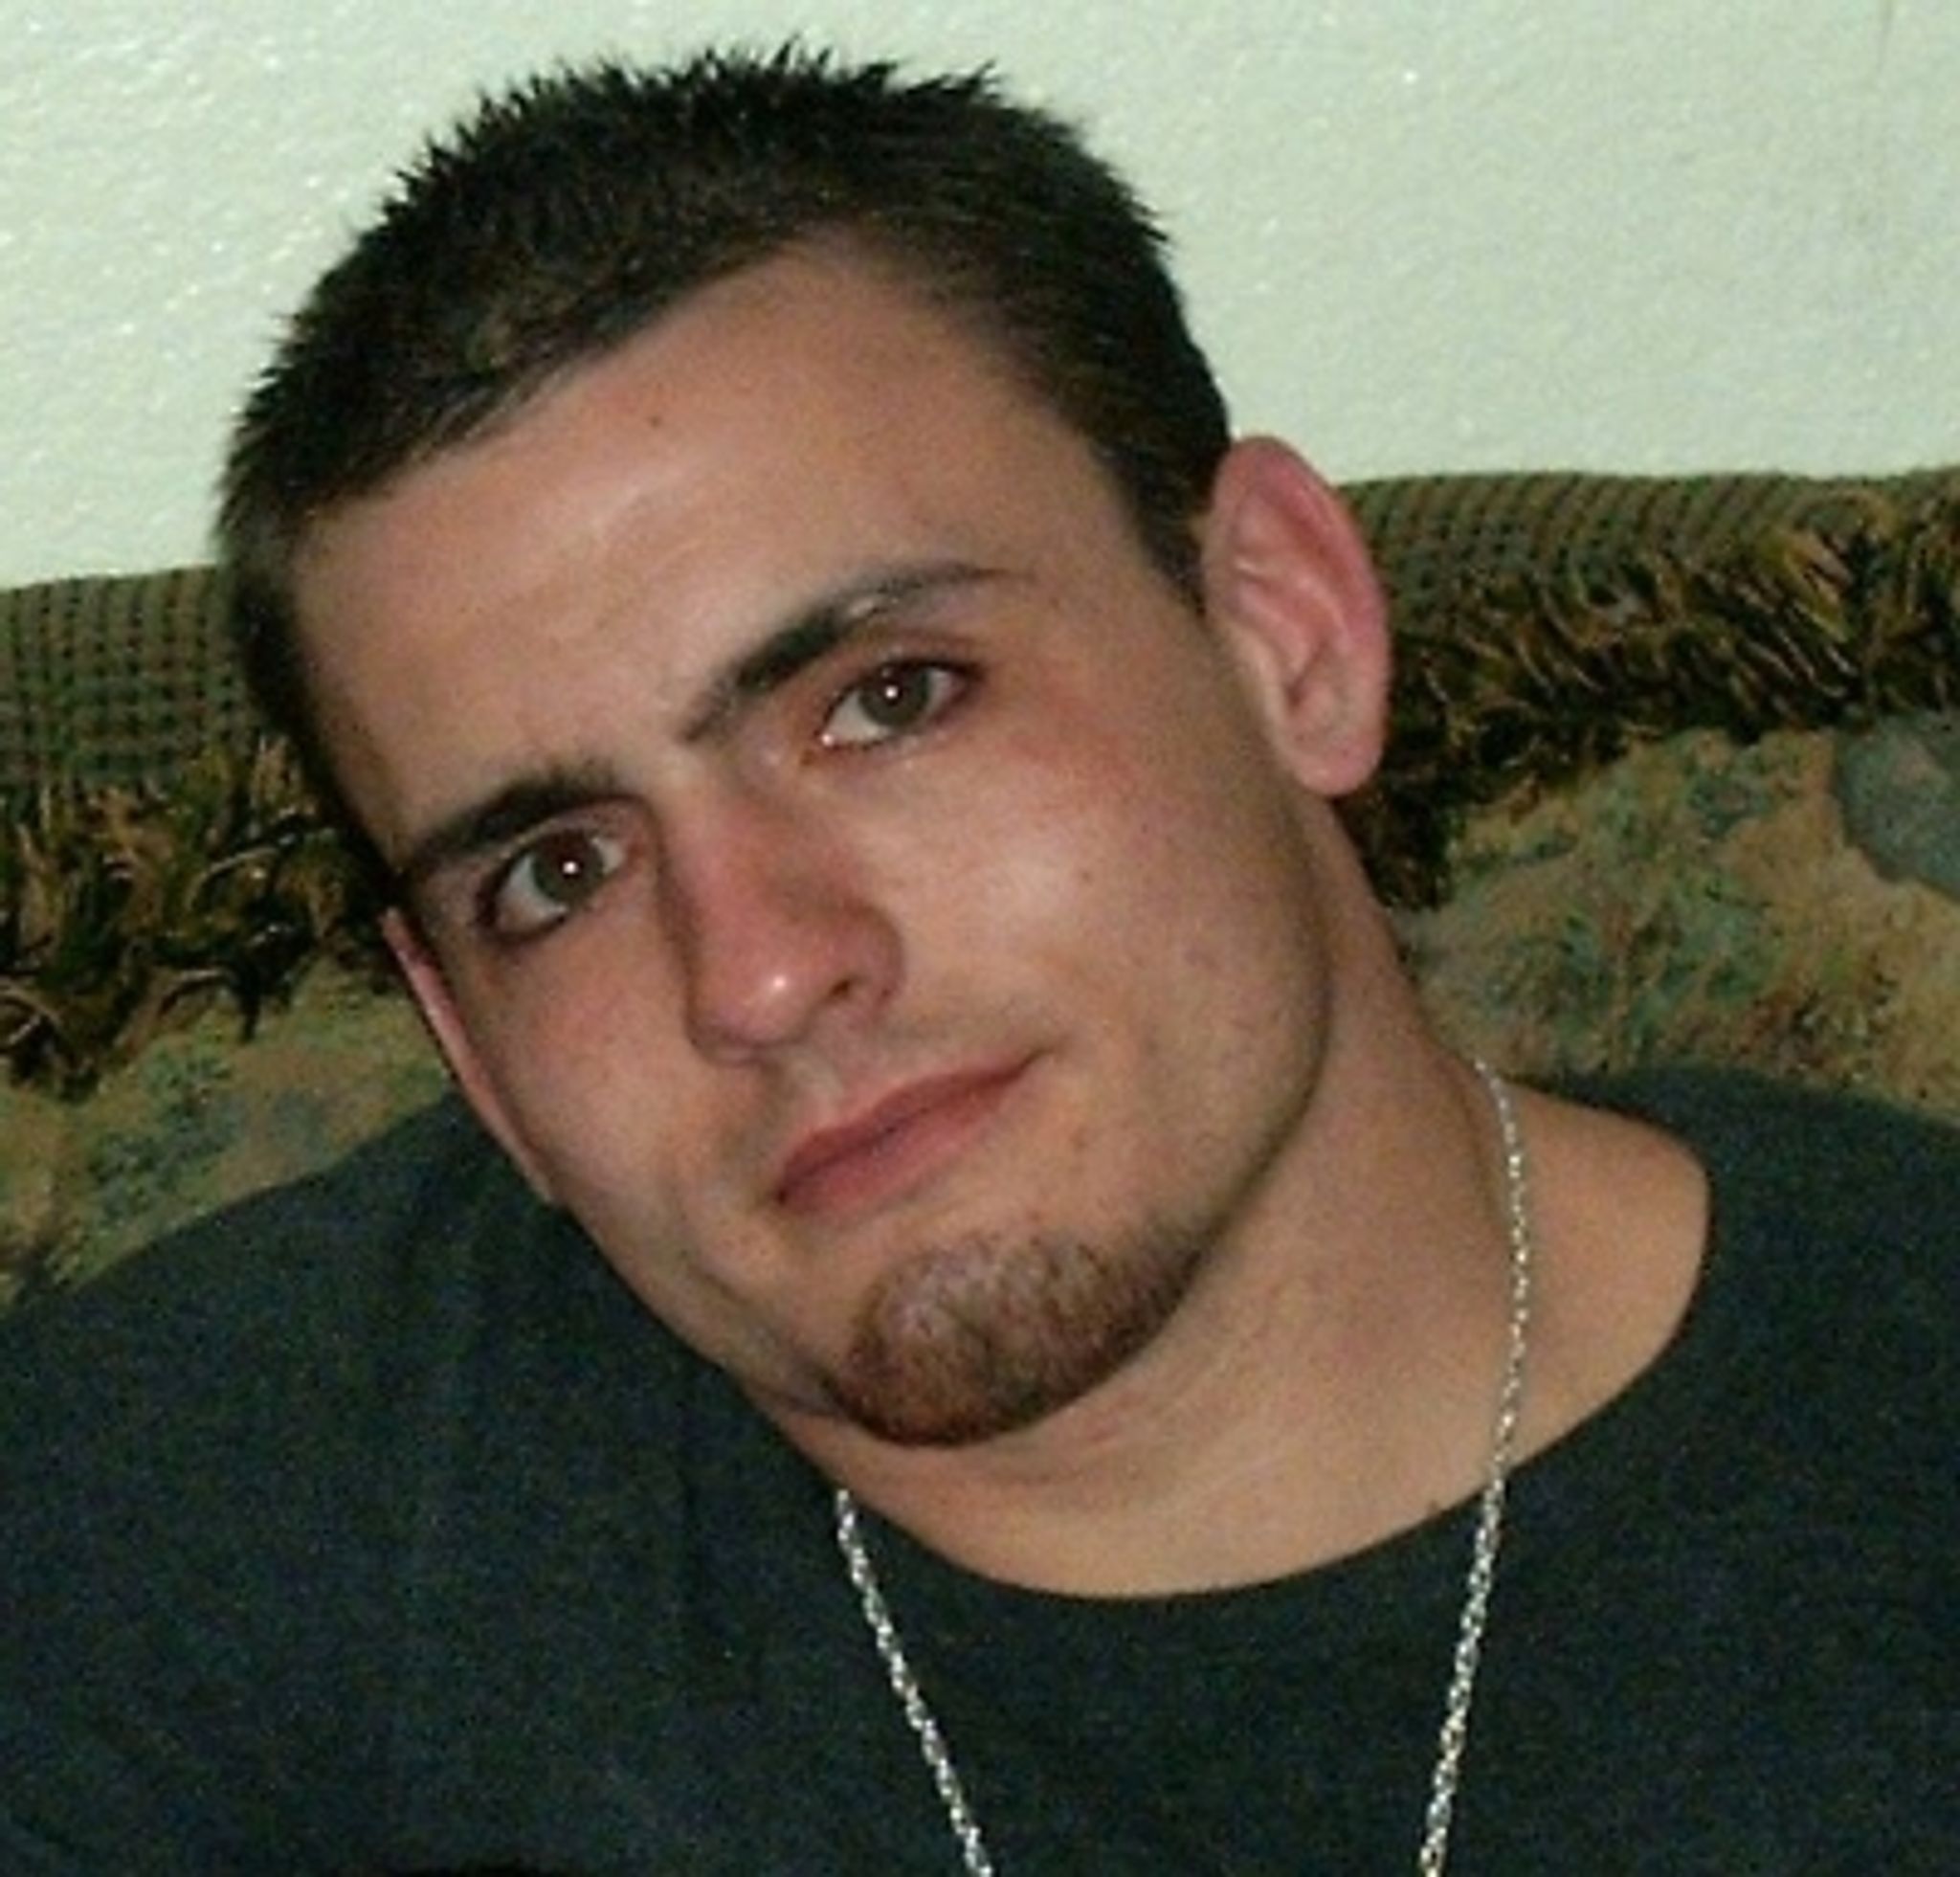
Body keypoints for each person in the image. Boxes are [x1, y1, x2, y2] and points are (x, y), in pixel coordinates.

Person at [2, 45, 1954, 1875]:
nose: (759, 974)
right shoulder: (177, 1539)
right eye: (556, 872)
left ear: (1284, 634)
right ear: (465, 1038)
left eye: (889, 698)